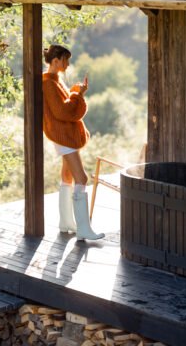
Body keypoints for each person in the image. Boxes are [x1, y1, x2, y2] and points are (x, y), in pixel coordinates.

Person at [42, 44, 104, 241]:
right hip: (63, 136)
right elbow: (62, 112)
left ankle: (66, 222)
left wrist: (74, 92)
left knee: (67, 177)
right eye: (65, 60)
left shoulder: (54, 80)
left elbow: (62, 105)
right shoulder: (49, 84)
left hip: (62, 135)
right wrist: (79, 95)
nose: (68, 64)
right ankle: (84, 228)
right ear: (56, 61)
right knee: (82, 179)